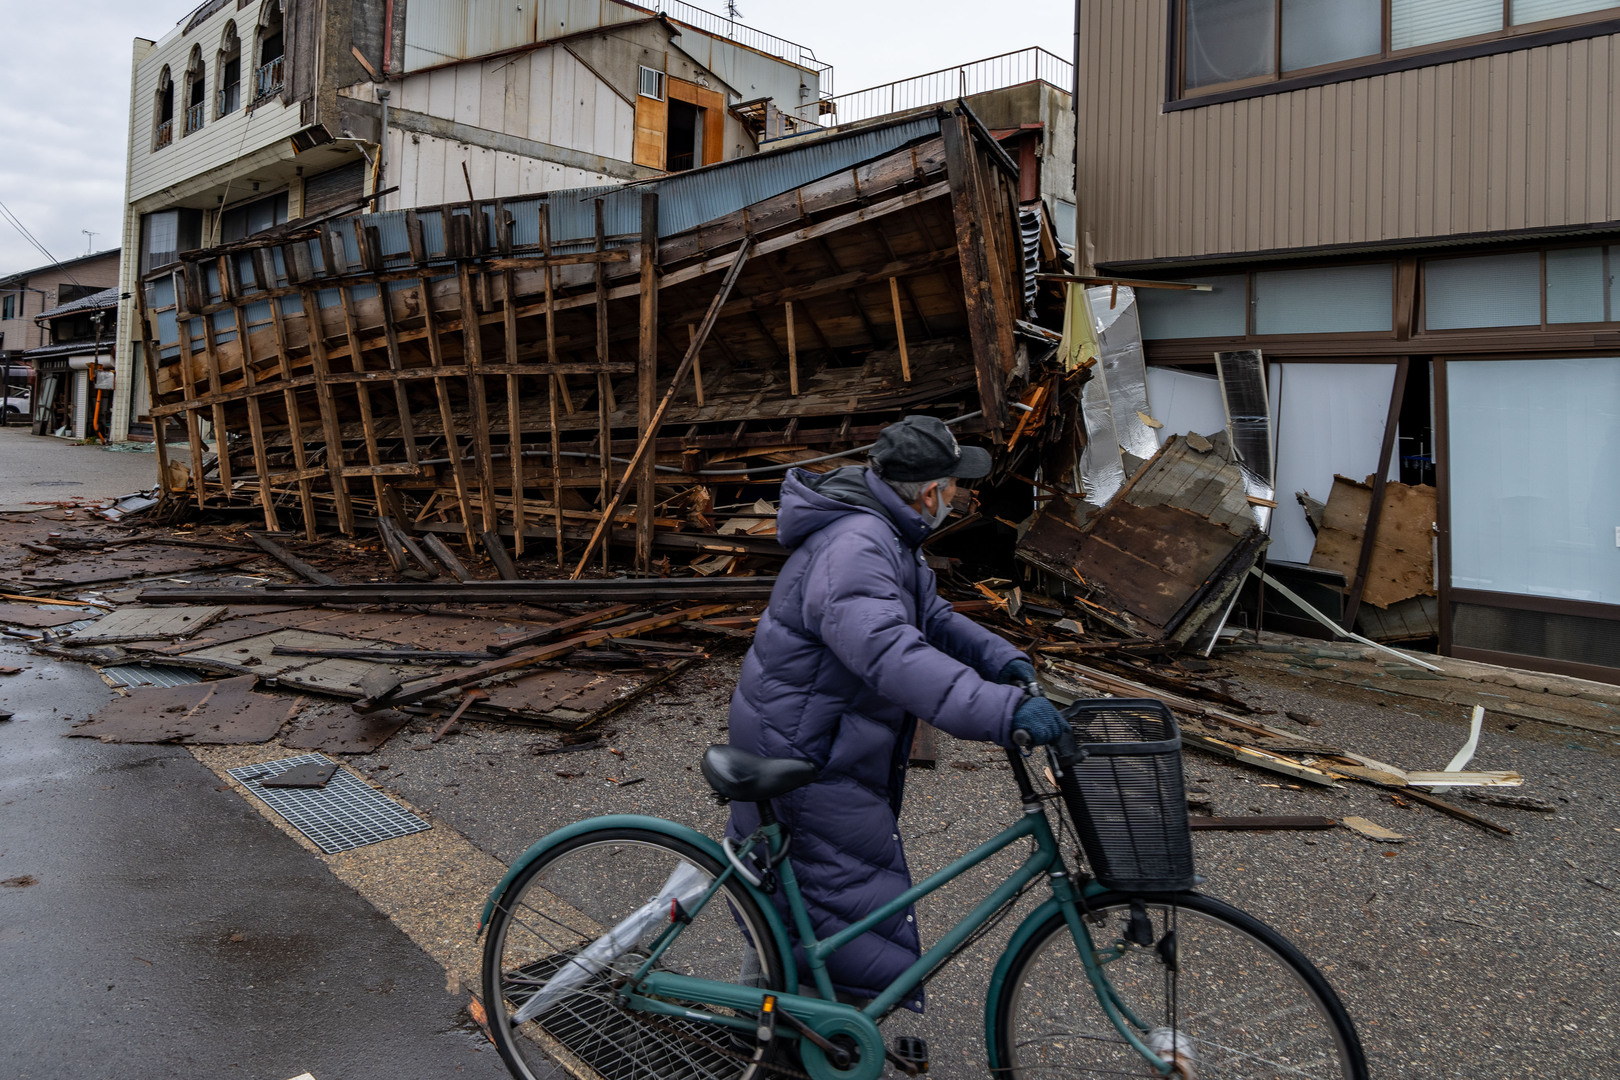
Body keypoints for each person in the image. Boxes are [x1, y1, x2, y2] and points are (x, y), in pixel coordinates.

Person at [726, 414, 1070, 1008]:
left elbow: (930, 618)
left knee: (819, 894)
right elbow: (887, 650)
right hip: (808, 747)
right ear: (930, 491)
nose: (961, 497)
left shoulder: (886, 534)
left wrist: (1002, 659)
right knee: (834, 890)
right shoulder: (858, 544)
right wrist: (998, 710)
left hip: (820, 732)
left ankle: (789, 1012)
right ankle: (791, 1027)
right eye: (955, 485)